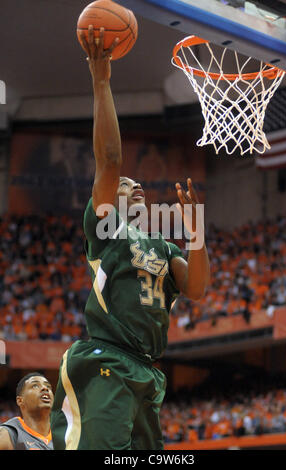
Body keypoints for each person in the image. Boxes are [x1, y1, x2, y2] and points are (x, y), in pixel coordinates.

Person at [50, 25, 210, 451]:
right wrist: (101, 82)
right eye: (124, 184)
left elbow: (196, 288)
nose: (133, 183)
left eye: (138, 184)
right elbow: (110, 159)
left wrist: (196, 234)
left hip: (148, 371)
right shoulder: (106, 230)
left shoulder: (164, 246)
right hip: (105, 360)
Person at [0, 372, 54, 450]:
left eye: (48, 386)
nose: (45, 388)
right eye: (35, 386)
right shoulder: (9, 434)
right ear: (20, 400)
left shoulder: (65, 434)